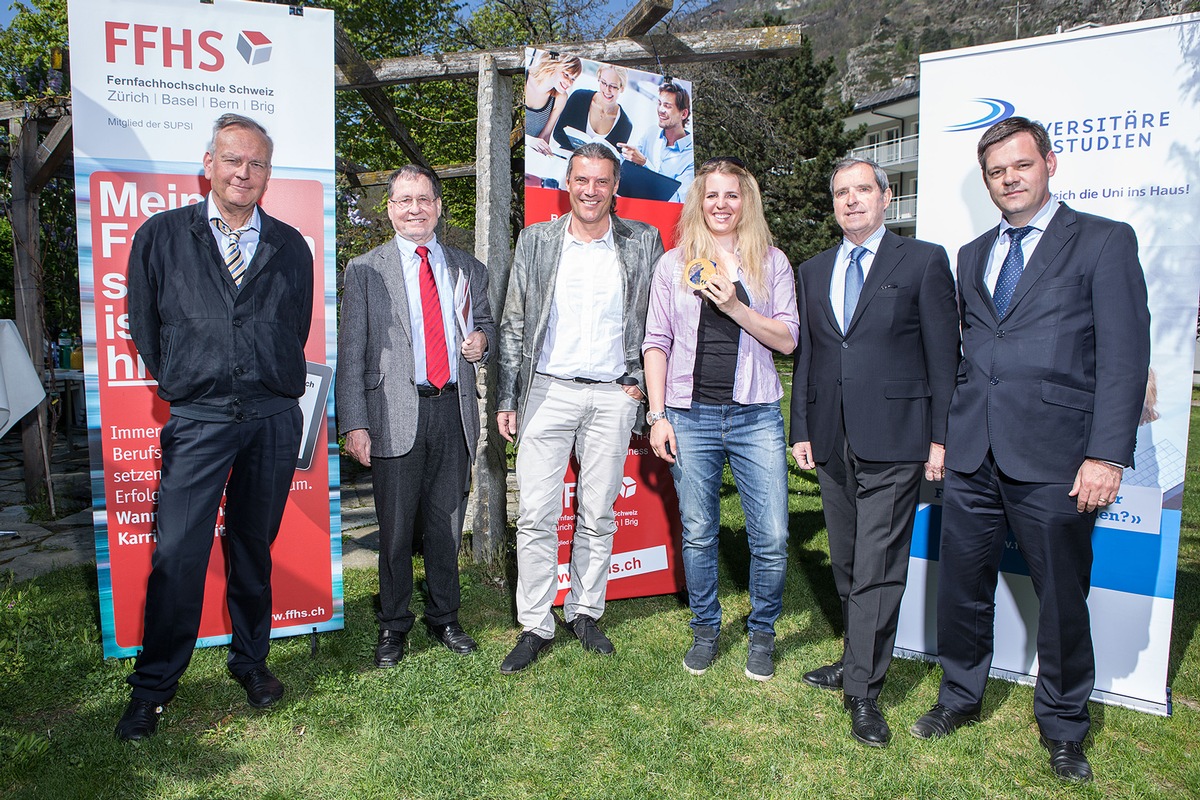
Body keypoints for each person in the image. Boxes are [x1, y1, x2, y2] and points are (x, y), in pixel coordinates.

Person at [909, 117, 1150, 783]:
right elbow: (967, 352)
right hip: (972, 453)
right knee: (961, 589)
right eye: (995, 171)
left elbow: (1125, 360)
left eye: (1020, 165)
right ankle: (959, 696)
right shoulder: (973, 253)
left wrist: (1107, 455)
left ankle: (1065, 728)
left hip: (1058, 459)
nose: (1008, 179)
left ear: (1049, 163)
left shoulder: (1102, 242)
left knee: (1062, 599)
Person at [118, 113, 313, 741]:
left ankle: (252, 663)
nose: (244, 173)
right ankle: (153, 689)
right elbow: (144, 324)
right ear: (208, 165)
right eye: (233, 160)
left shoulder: (290, 245)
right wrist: (185, 375)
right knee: (177, 554)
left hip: (272, 420)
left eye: (256, 163)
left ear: (268, 173)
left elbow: (296, 324)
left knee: (252, 549)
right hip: (199, 420)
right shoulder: (163, 236)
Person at [789, 157, 959, 746]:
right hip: (833, 440)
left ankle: (862, 690)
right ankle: (854, 654)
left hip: (897, 439)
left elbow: (945, 357)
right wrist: (801, 428)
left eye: (864, 190)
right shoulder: (812, 271)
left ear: (887, 197)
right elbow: (809, 355)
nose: (852, 200)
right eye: (842, 192)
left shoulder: (924, 261)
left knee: (879, 569)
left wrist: (940, 438)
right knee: (846, 562)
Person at [496, 142, 664, 674]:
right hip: (546, 391)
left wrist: (637, 382)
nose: (591, 191)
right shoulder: (537, 241)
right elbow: (515, 323)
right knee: (536, 514)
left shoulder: (643, 241)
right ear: (567, 184)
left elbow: (658, 320)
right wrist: (507, 395)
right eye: (581, 180)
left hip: (613, 395)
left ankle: (586, 611)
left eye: (602, 181)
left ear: (616, 187)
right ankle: (535, 622)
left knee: (598, 514)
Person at [643, 157, 799, 680]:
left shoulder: (772, 263)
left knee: (772, 535)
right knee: (699, 530)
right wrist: (658, 415)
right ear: (698, 202)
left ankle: (762, 632)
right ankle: (706, 629)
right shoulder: (673, 265)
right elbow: (656, 343)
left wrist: (735, 306)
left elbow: (787, 339)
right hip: (690, 416)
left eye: (732, 195)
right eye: (712, 195)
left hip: (756, 414)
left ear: (746, 202)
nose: (721, 204)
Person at [336, 165, 495, 668]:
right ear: (389, 208)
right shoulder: (365, 270)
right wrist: (353, 423)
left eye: (423, 199)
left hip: (453, 410)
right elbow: (352, 352)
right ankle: (393, 624)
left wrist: (482, 342)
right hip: (392, 415)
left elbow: (485, 323)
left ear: (438, 206)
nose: (414, 209)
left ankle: (446, 616)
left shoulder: (468, 268)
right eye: (403, 200)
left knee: (447, 525)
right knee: (396, 530)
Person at [618, 81, 694, 203]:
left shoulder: (690, 156)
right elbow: (629, 172)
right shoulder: (651, 133)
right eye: (659, 103)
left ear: (683, 114)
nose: (661, 110)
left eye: (668, 106)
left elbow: (678, 201)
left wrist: (645, 163)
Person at [551, 64, 632, 153]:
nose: (607, 90)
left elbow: (614, 159)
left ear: (622, 88)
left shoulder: (625, 125)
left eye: (613, 86)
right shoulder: (579, 98)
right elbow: (558, 133)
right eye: (603, 82)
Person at [525, 51, 582, 155]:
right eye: (566, 74)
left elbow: (545, 136)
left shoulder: (560, 97)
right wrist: (529, 141)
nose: (569, 83)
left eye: (573, 79)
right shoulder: (525, 79)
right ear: (553, 65)